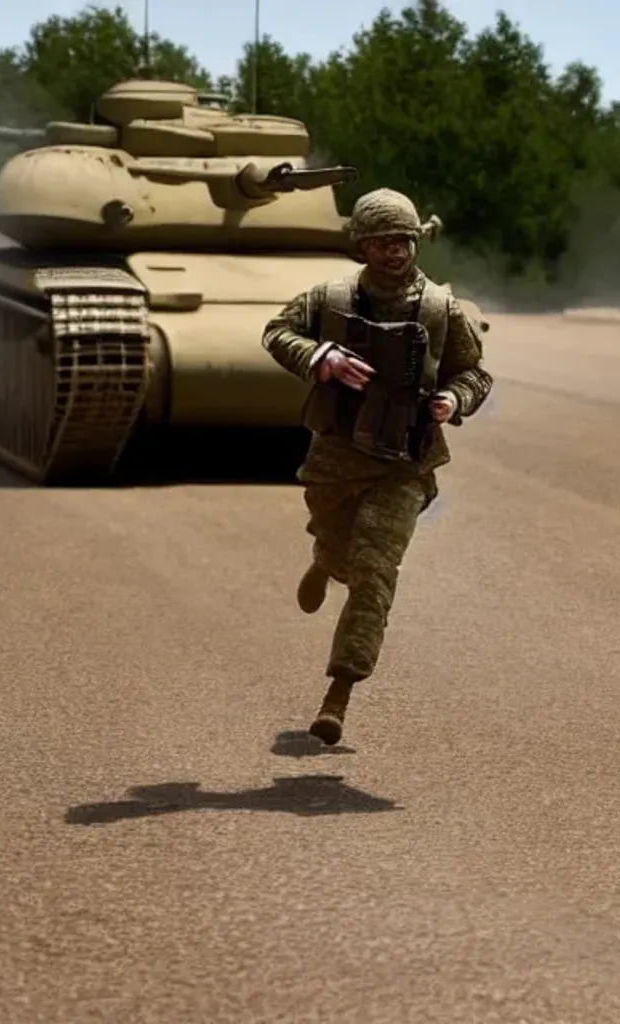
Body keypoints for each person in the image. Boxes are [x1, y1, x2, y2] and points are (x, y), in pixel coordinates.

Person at [261, 188, 493, 746]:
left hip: (404, 463)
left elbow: (474, 374)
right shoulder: (329, 297)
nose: (396, 252)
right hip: (336, 457)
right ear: (362, 245)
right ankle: (325, 557)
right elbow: (277, 332)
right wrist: (322, 357)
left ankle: (337, 694)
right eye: (384, 241)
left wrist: (453, 401)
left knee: (373, 574)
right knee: (341, 547)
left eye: (405, 241)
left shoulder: (440, 308)